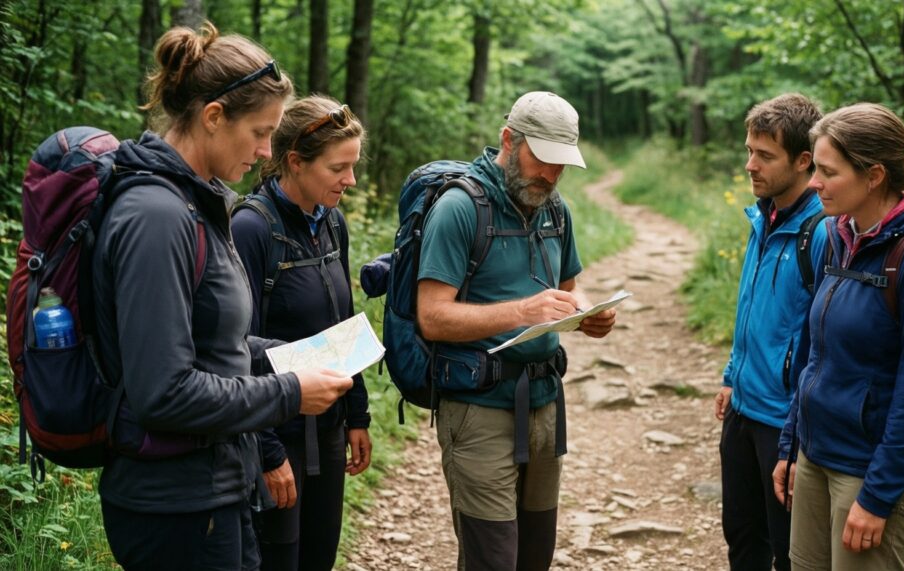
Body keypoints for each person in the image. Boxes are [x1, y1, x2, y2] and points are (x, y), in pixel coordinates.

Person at [92, 23, 353, 570]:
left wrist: (289, 354)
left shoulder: (196, 204)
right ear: (213, 116)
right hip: (175, 509)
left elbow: (216, 340)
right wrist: (288, 393)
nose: (266, 153)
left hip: (215, 490)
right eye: (261, 133)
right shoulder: (156, 217)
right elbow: (163, 392)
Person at [416, 91, 616, 570]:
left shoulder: (554, 208)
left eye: (561, 165)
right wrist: (522, 312)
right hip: (478, 407)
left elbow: (569, 287)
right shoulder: (459, 209)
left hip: (544, 402)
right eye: (542, 160)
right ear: (509, 140)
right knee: (493, 558)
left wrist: (589, 311)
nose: (550, 174)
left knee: (534, 555)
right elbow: (432, 316)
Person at [772, 102, 904, 570]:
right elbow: (814, 353)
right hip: (817, 458)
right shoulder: (838, 236)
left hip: (870, 475)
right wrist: (792, 443)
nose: (814, 182)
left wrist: (878, 497)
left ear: (874, 175)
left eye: (827, 171)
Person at [231, 97, 371, 571]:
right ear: (294, 161)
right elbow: (236, 349)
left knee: (319, 556)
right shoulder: (251, 229)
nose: (350, 181)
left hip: (328, 428)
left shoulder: (332, 222)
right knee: (278, 560)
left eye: (353, 166)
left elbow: (343, 322)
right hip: (277, 432)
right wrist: (268, 452)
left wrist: (357, 415)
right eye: (339, 168)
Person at [714, 93, 825, 571]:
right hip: (743, 409)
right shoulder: (763, 215)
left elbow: (824, 340)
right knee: (742, 539)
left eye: (764, 155)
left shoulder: (821, 232)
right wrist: (730, 375)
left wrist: (799, 437)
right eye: (749, 150)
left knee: (787, 551)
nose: (749, 165)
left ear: (804, 161)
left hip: (784, 422)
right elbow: (752, 310)